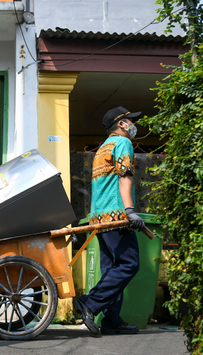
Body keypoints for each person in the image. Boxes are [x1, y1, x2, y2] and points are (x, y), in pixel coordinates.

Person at [73, 106, 146, 335]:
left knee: (112, 269)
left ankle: (112, 319)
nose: (134, 124)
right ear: (122, 124)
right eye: (130, 120)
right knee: (128, 264)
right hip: (116, 216)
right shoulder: (123, 143)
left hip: (99, 217)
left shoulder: (102, 148)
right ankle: (90, 303)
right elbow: (124, 176)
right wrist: (130, 210)